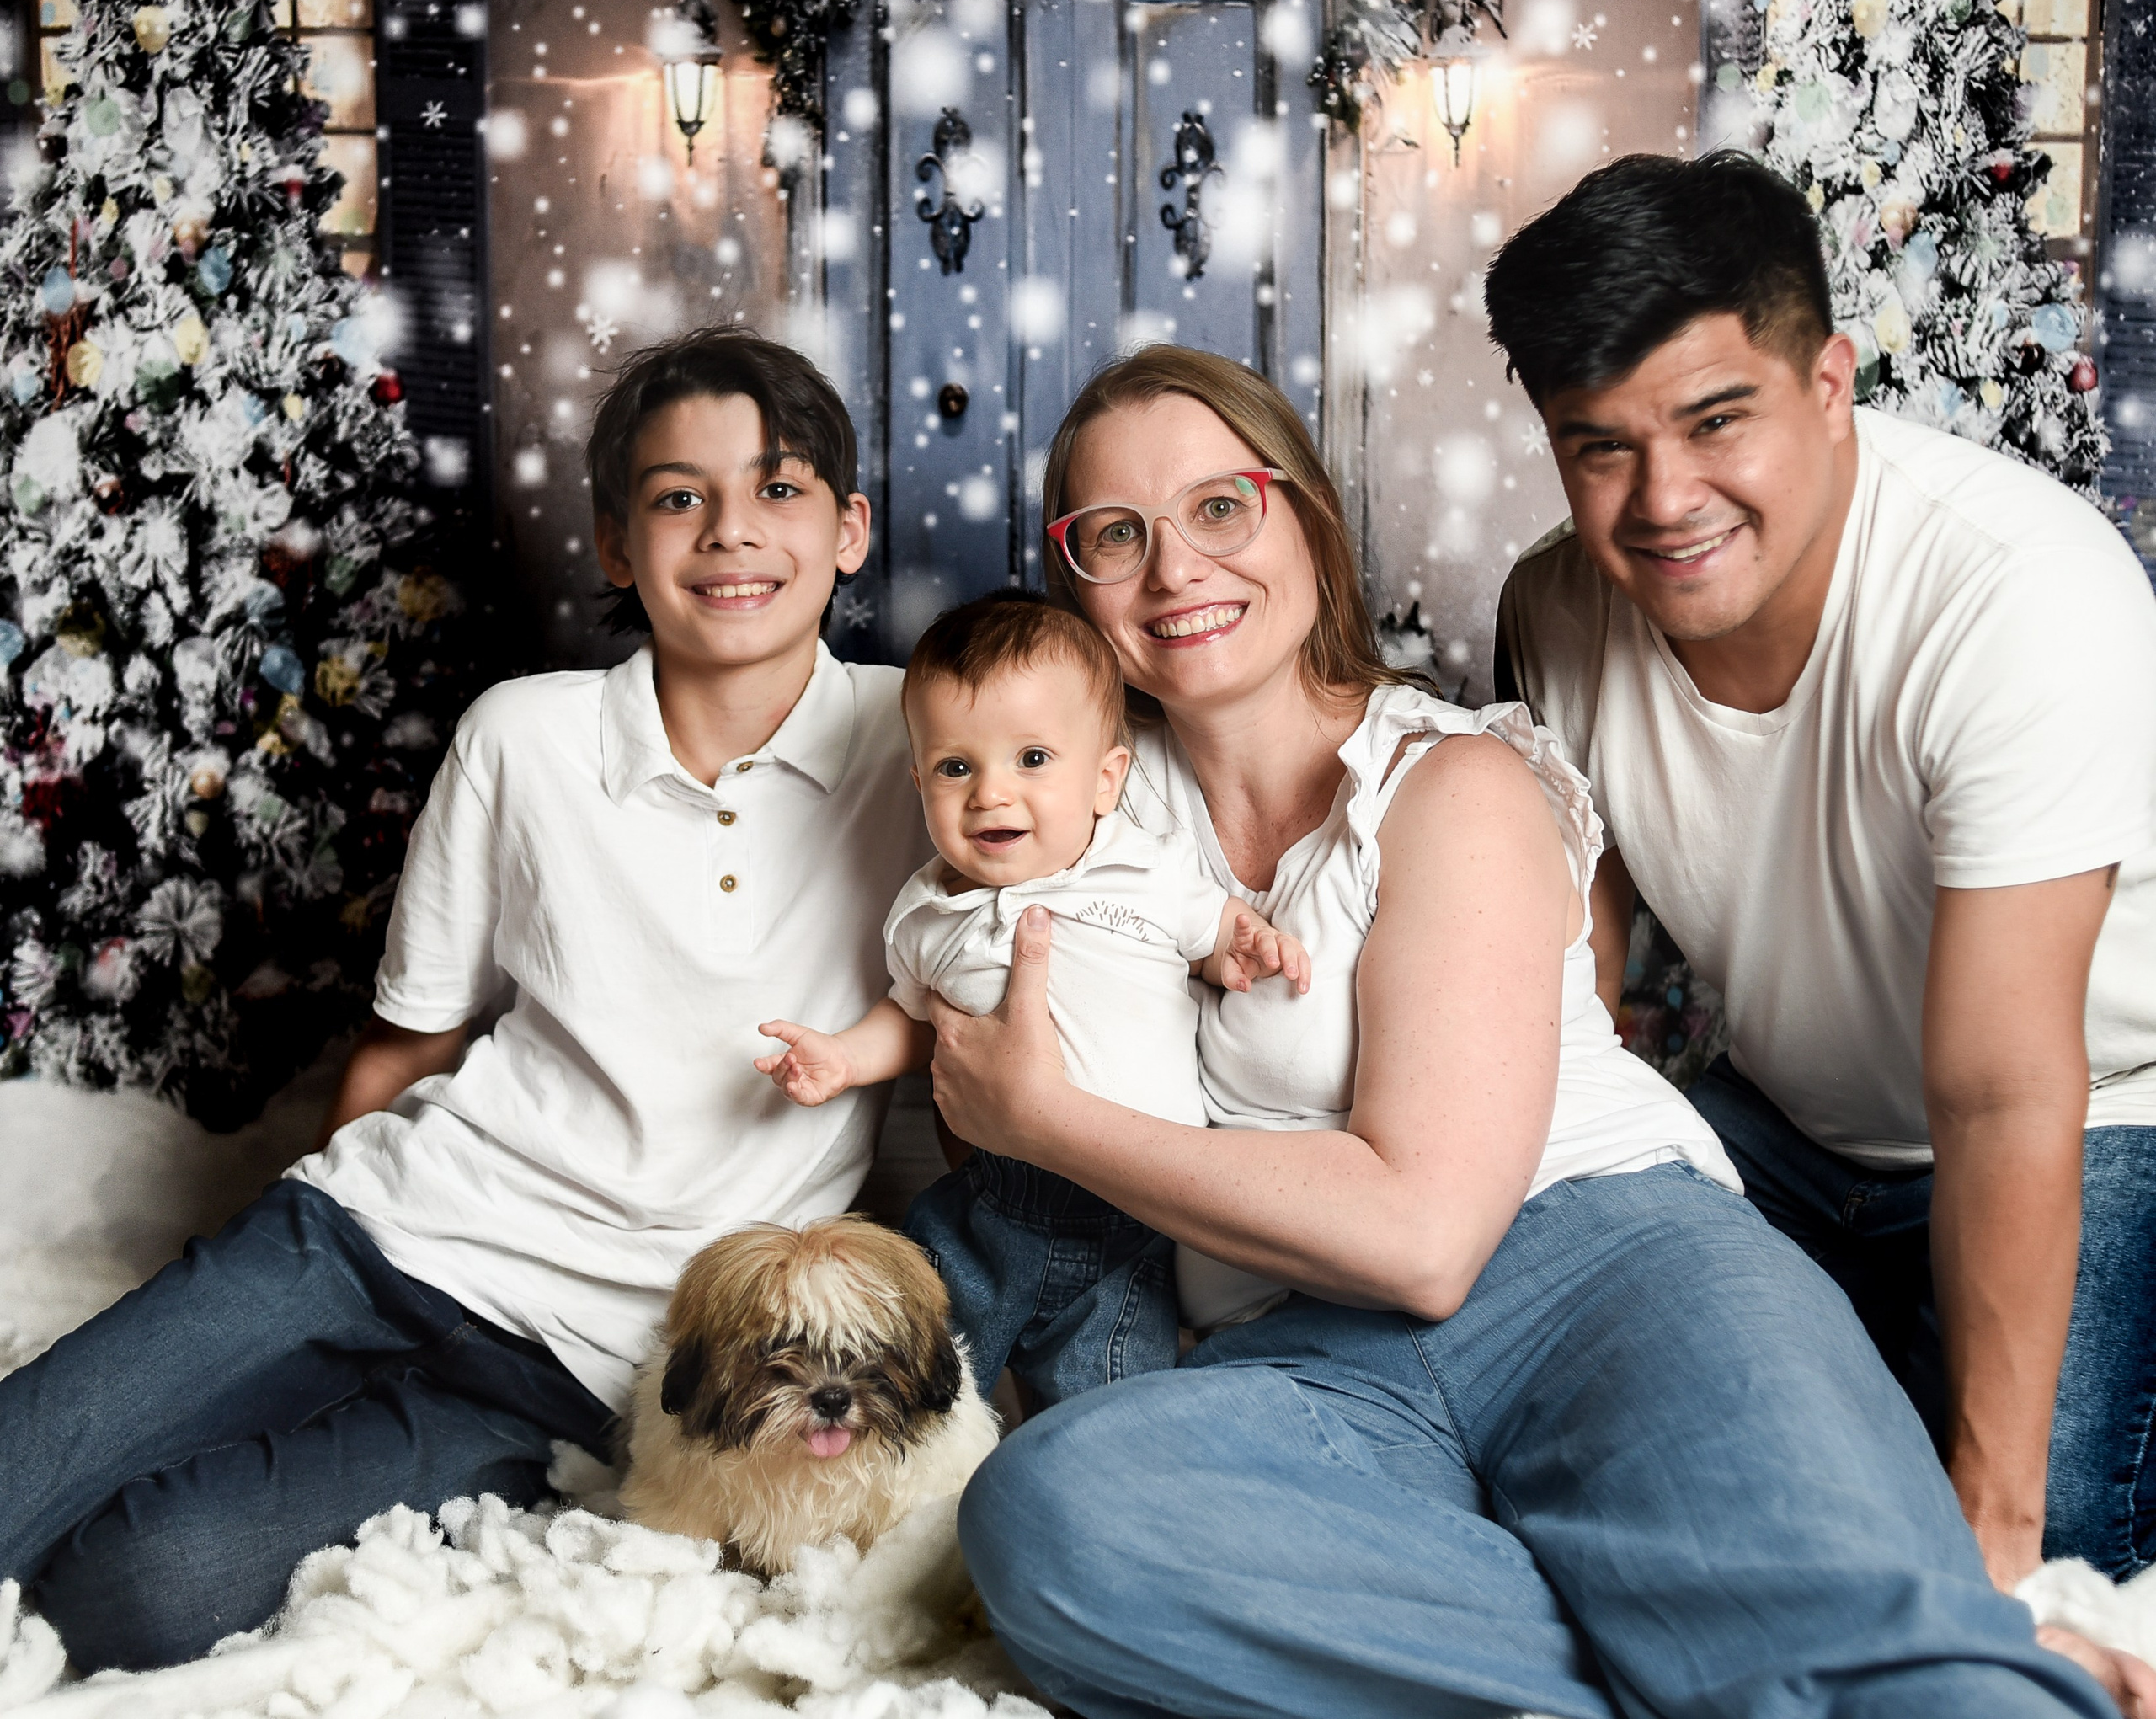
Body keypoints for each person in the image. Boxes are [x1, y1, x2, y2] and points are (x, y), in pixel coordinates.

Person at [930, 342, 2124, 1719]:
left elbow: (1426, 1238)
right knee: (1058, 1517)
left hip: (1605, 1266)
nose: (1175, 569)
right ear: (1070, 576)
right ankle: (1712, 1669)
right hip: (1303, 1354)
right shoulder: (1066, 824)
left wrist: (1046, 1121)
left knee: (1907, 1684)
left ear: (1306, 517)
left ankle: (1892, 1660)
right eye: (1114, 535)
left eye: (1221, 507)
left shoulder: (1455, 779)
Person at [0, 327, 932, 1671]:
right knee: (35, 1457)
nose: (731, 532)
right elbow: (410, 1037)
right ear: (618, 545)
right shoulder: (526, 735)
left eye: (778, 491)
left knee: (135, 1590)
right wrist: (288, 1260)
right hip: (381, 1234)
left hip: (585, 1358)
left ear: (847, 529)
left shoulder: (931, 748)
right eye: (680, 497)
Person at [1487, 153, 2156, 1610]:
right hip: (1790, 1131)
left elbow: (2002, 1090)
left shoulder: (2021, 593)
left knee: (2004, 1577)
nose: (1665, 499)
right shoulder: (1552, 606)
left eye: (1716, 419)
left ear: (1833, 379)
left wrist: (1990, 1522)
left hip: (2095, 1109)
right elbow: (1565, 1002)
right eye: (1598, 445)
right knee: (1656, 1475)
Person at [755, 587, 1310, 1406]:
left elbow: (1214, 926)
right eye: (955, 766)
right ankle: (891, 1492)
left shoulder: (1142, 867)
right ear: (919, 779)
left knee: (1107, 1413)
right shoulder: (926, 909)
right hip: (990, 1204)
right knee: (909, 1382)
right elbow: (914, 1019)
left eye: (1033, 759)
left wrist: (1245, 944)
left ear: (1104, 777)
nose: (990, 793)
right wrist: (842, 1057)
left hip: (1130, 1212)